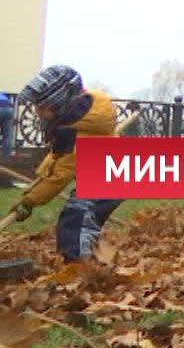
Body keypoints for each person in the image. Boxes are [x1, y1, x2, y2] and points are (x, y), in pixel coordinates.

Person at [6, 65, 124, 261]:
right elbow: (57, 155)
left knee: (76, 220)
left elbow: (60, 175)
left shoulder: (79, 133)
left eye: (42, 107)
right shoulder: (78, 117)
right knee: (79, 217)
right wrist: (42, 173)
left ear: (59, 103)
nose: (37, 112)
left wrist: (30, 201)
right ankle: (84, 262)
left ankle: (78, 269)